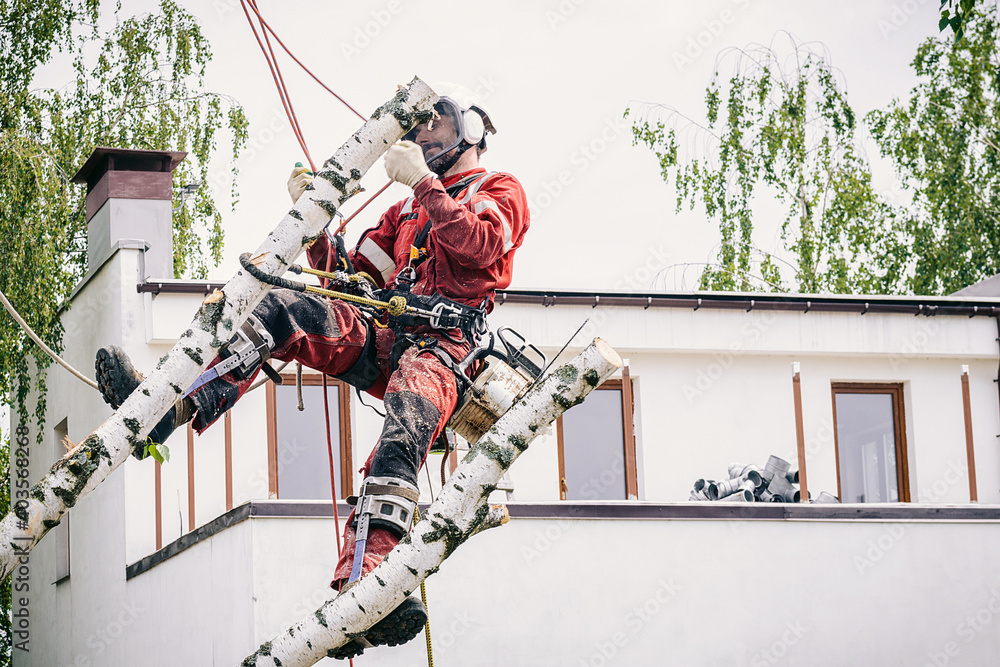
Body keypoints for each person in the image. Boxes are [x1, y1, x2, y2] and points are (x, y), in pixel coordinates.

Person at [94, 82, 529, 659]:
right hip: (388, 335)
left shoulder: (500, 190)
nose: (423, 138)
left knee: (404, 432)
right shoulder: (403, 214)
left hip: (444, 351)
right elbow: (352, 280)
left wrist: (424, 184)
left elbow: (481, 245)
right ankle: (172, 405)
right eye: (418, 132)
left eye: (435, 129)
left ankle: (369, 584)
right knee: (282, 310)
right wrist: (318, 225)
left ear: (468, 132)